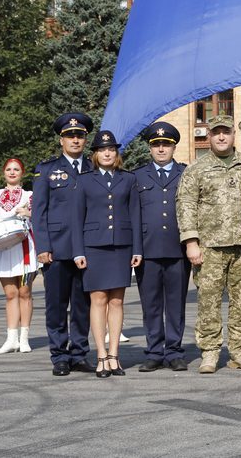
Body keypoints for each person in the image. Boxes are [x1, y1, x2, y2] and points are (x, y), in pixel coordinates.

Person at [177, 114, 241, 374]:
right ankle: (210, 352)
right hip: (209, 247)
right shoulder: (196, 169)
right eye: (216, 133)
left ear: (234, 134)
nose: (221, 137)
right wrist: (191, 242)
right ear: (208, 136)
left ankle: (239, 350)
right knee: (208, 302)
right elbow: (186, 205)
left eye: (226, 132)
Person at [72, 130, 142, 377]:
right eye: (102, 150)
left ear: (117, 153)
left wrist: (138, 249)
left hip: (122, 246)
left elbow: (135, 215)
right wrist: (78, 251)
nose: (107, 153)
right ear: (95, 154)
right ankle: (100, 354)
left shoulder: (128, 179)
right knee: (98, 299)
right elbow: (76, 217)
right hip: (94, 247)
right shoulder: (84, 180)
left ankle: (114, 355)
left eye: (111, 149)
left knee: (117, 300)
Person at [32, 112, 94, 376]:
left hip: (88, 249)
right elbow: (39, 212)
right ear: (61, 140)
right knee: (56, 305)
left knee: (82, 305)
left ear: (85, 139)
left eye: (79, 135)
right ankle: (59, 355)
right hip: (56, 249)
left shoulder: (94, 168)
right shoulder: (46, 170)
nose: (75, 140)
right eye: (70, 136)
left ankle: (79, 353)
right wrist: (43, 247)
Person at [133, 122, 189, 372]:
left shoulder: (186, 173)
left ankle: (174, 351)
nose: (161, 149)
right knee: (151, 304)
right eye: (156, 145)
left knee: (176, 303)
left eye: (166, 144)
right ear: (150, 148)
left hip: (178, 249)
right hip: (148, 249)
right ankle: (155, 351)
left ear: (174, 146)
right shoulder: (138, 176)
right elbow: (132, 215)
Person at [0, 158, 39, 354]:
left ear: (22, 173)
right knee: (10, 294)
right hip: (3, 249)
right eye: (9, 169)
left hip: (24, 250)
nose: (12, 172)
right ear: (4, 173)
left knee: (24, 293)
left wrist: (29, 213)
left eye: (16, 169)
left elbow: (44, 218)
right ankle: (11, 339)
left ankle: (24, 338)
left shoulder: (30, 196)